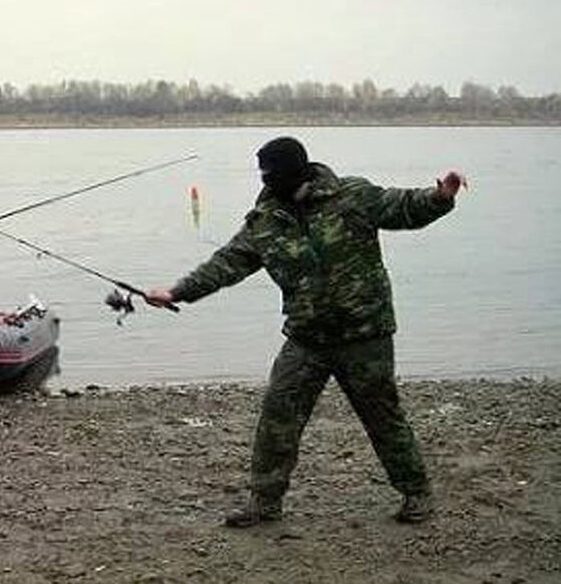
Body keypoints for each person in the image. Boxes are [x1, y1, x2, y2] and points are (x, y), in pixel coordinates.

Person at [145, 137, 466, 527]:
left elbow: (404, 208)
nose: (266, 179)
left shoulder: (353, 195)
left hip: (365, 333)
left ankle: (417, 494)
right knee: (278, 416)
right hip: (306, 338)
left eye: (272, 172)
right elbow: (226, 264)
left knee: (383, 416)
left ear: (296, 168)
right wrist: (177, 292)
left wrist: (440, 195)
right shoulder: (264, 221)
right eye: (262, 172)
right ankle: (264, 503)